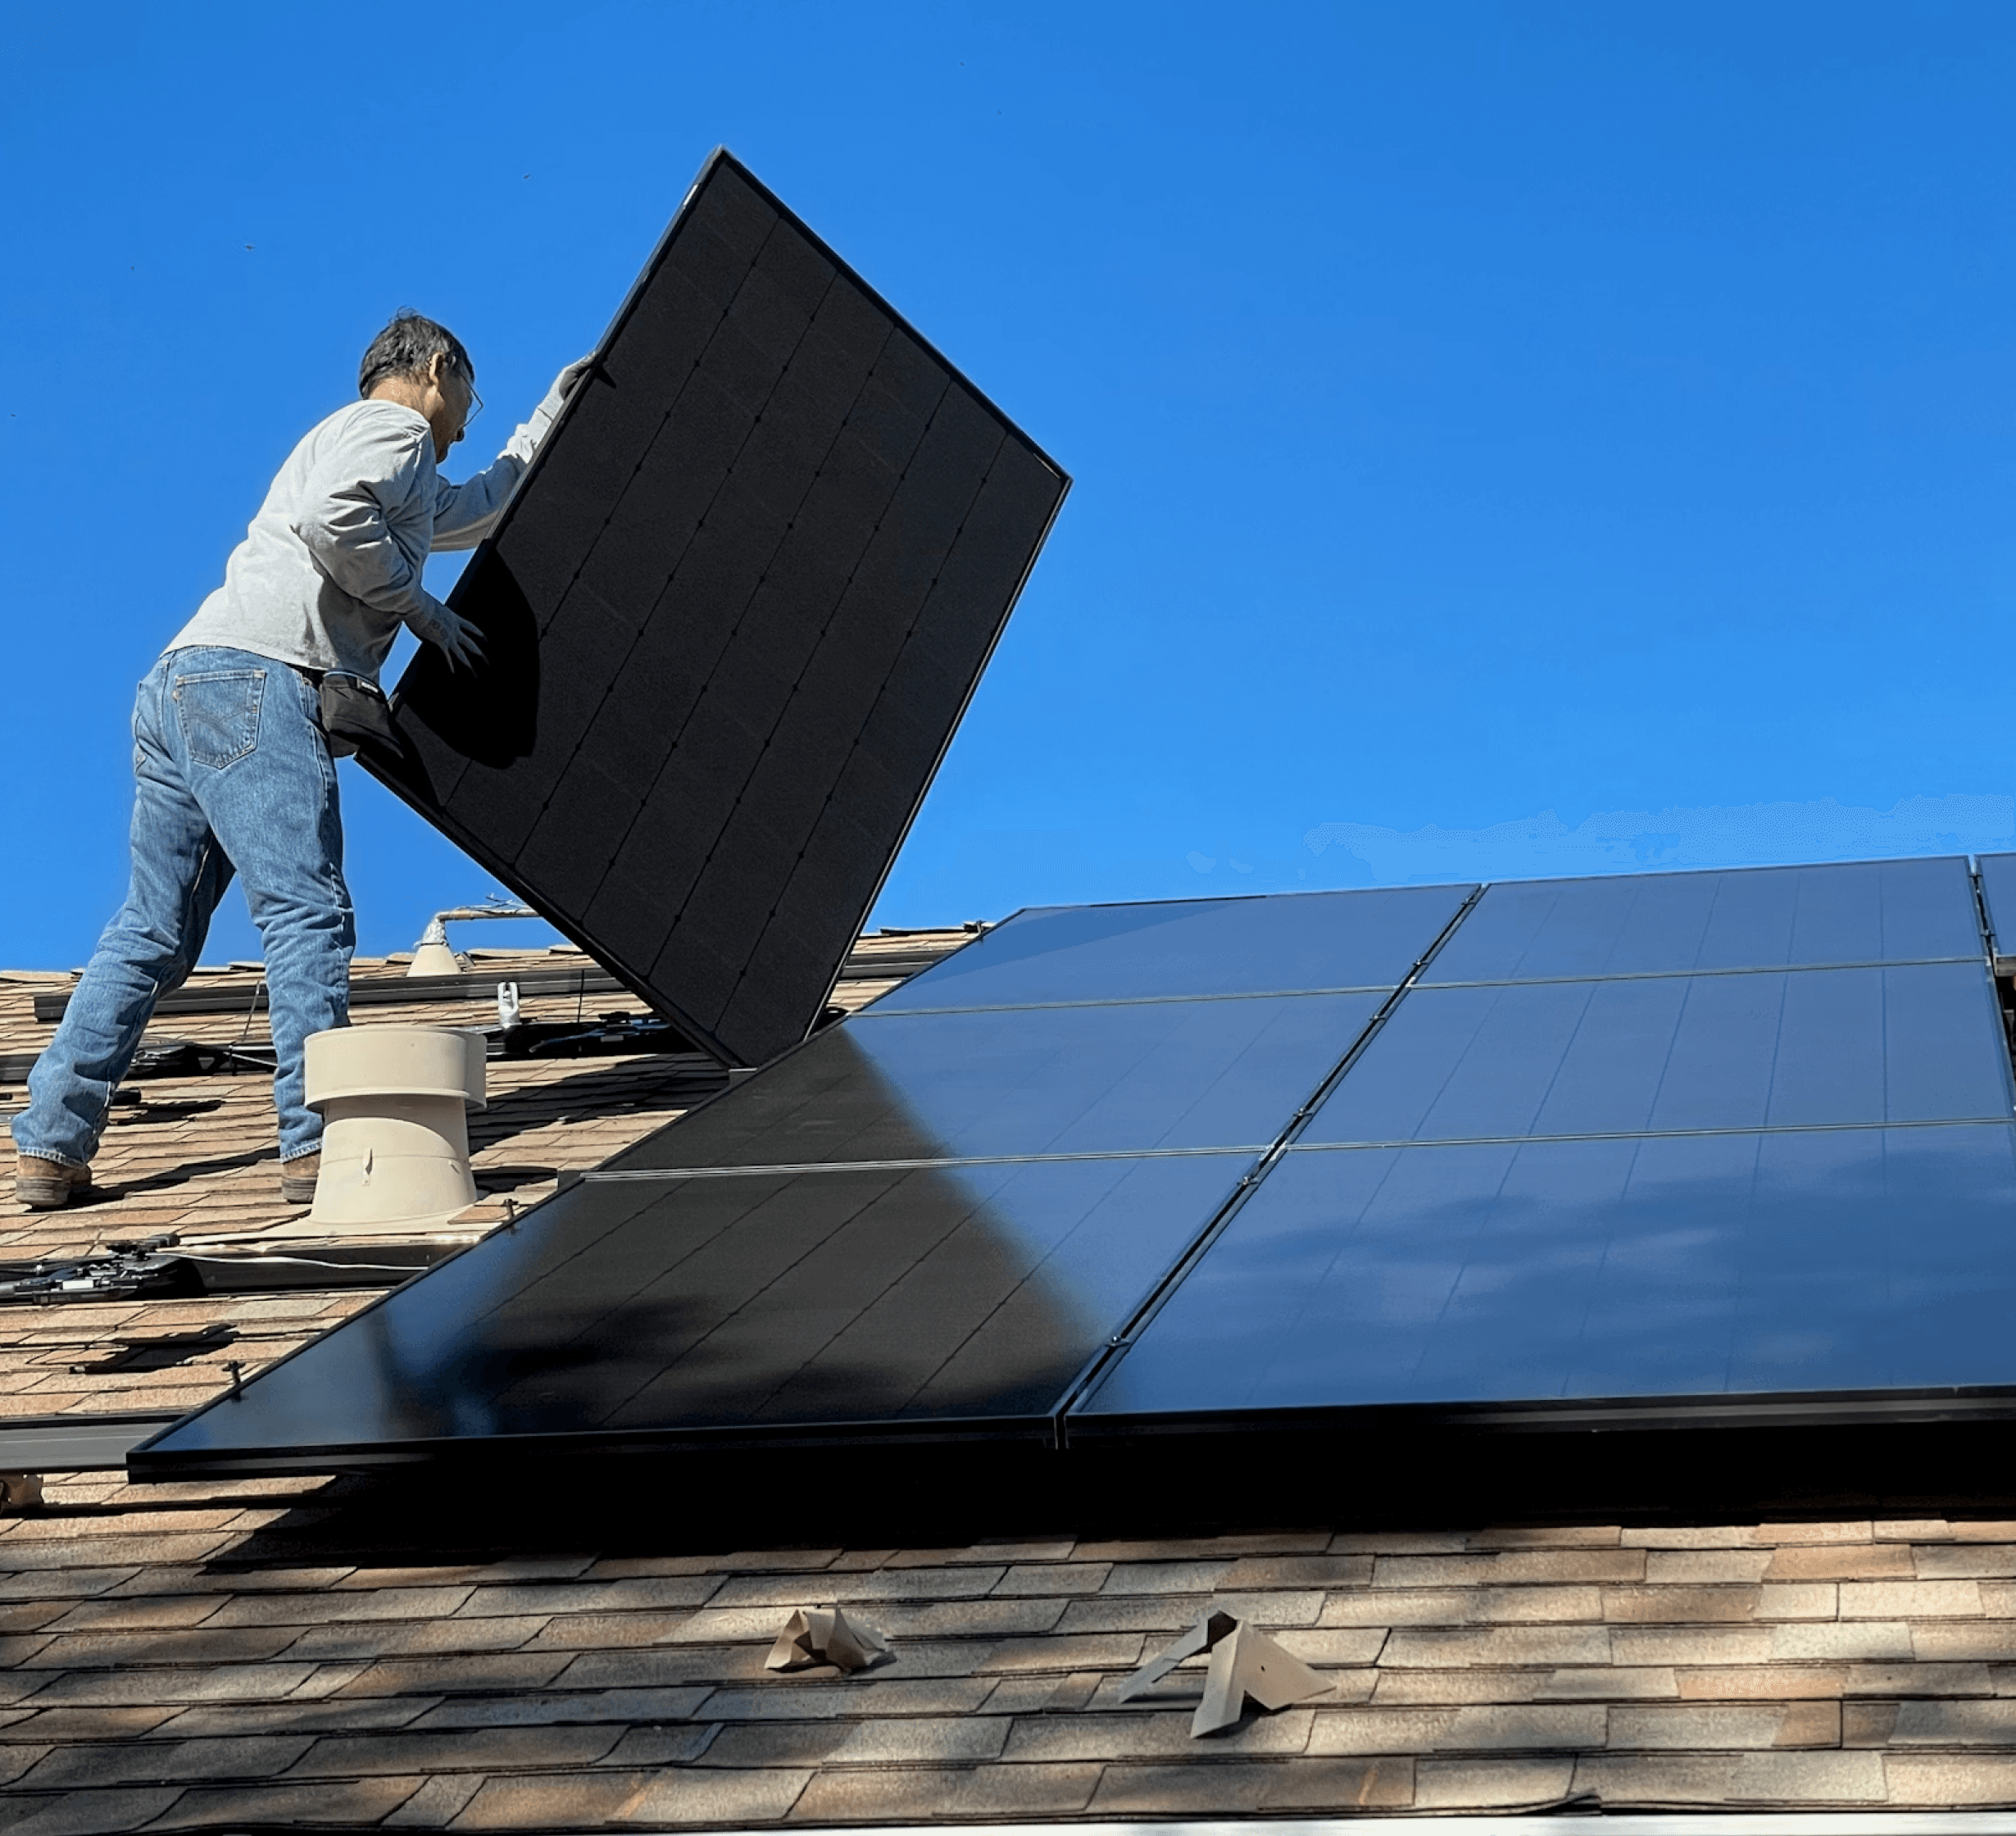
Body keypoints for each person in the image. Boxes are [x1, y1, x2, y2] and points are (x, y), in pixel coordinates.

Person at [11, 313, 588, 1211]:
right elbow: (333, 521)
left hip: (180, 685)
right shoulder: (393, 430)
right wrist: (422, 612)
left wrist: (552, 412)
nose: (469, 420)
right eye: (471, 396)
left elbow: (477, 508)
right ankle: (315, 1145)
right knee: (306, 910)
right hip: (258, 679)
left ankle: (51, 1140)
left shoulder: (361, 448)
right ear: (438, 368)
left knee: (151, 931)